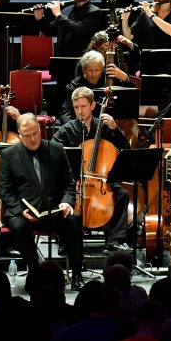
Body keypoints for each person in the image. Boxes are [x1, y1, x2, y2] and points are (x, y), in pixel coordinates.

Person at [0, 113, 86, 280]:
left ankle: (77, 273)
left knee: (73, 220)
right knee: (20, 227)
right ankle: (36, 271)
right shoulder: (8, 155)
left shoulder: (56, 149)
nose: (32, 139)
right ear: (19, 135)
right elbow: (4, 190)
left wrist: (67, 203)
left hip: (53, 210)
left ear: (40, 130)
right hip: (23, 212)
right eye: (27, 135)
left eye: (35, 133)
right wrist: (20, 211)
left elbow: (69, 182)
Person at [52, 86, 134, 253]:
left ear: (93, 106)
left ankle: (116, 239)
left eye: (83, 106)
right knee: (60, 194)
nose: (80, 111)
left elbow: (125, 148)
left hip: (100, 180)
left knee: (123, 194)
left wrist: (114, 128)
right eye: (76, 107)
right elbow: (51, 150)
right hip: (75, 180)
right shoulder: (67, 130)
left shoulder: (103, 127)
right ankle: (65, 240)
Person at [36, 0, 106, 59]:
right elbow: (51, 31)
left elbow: (79, 30)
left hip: (82, 61)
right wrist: (40, 18)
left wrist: (58, 15)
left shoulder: (94, 11)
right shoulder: (66, 10)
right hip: (62, 59)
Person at [58, 50, 135, 125]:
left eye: (97, 70)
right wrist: (74, 130)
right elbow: (66, 113)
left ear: (102, 69)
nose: (94, 74)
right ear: (84, 69)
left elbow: (132, 94)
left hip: (110, 124)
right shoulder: (75, 86)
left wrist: (125, 77)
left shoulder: (109, 78)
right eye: (90, 70)